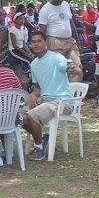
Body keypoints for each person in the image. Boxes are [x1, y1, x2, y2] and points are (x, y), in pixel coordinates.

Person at [27, 29, 73, 159]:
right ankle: (43, 140)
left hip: (61, 102)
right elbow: (37, 87)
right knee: (20, 117)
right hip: (45, 100)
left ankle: (39, 148)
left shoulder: (57, 58)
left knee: (31, 116)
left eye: (39, 41)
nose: (36, 44)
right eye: (33, 42)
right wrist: (33, 94)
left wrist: (72, 68)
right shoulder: (34, 64)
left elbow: (67, 66)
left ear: (45, 42)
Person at [37, 0, 82, 81]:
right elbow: (42, 31)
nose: (60, 0)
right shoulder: (45, 10)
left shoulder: (65, 5)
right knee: (58, 70)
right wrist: (42, 48)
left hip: (70, 41)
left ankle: (73, 92)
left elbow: (71, 23)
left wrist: (77, 40)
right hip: (55, 42)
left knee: (76, 68)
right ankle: (59, 93)